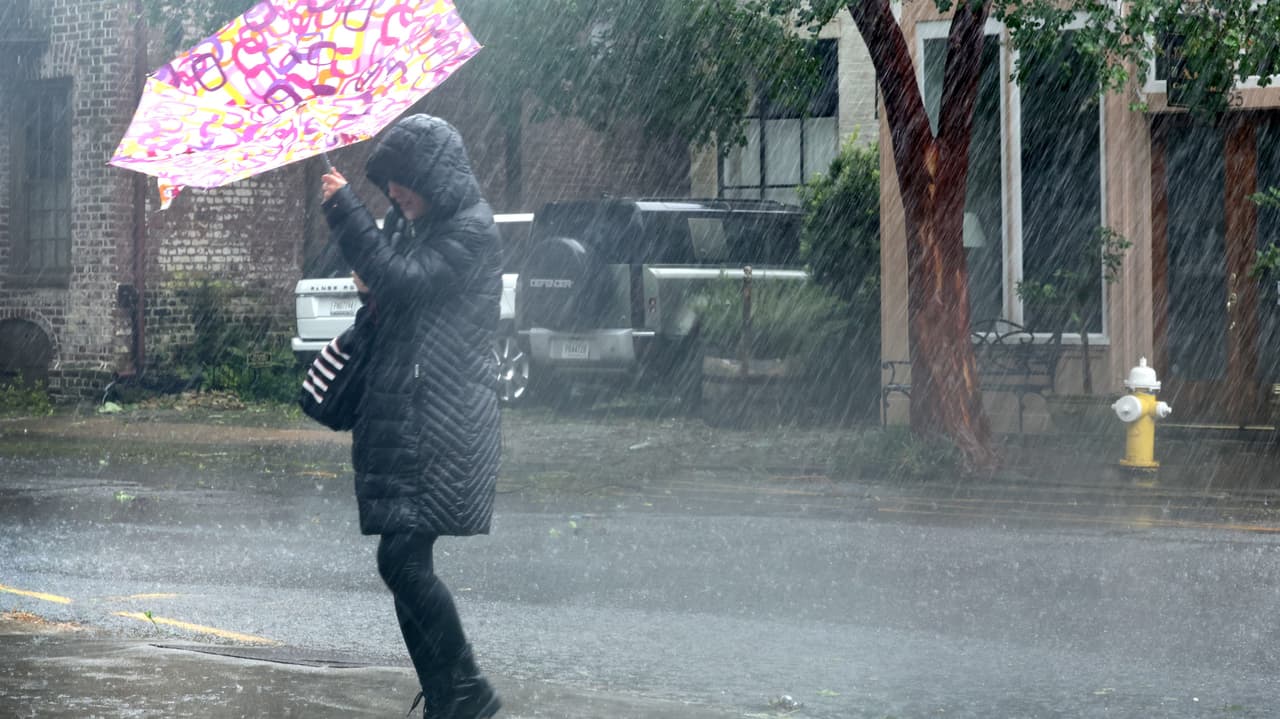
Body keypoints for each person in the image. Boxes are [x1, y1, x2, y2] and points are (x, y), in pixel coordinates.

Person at [319, 114, 503, 719]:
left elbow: (405, 284)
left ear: (432, 176)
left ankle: (466, 689)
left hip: (442, 417)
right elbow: (402, 300)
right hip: (412, 410)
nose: (392, 192)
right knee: (400, 560)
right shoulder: (414, 226)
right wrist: (373, 283)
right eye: (386, 182)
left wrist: (346, 210)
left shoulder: (472, 230)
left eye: (401, 180)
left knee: (401, 559)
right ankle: (449, 694)